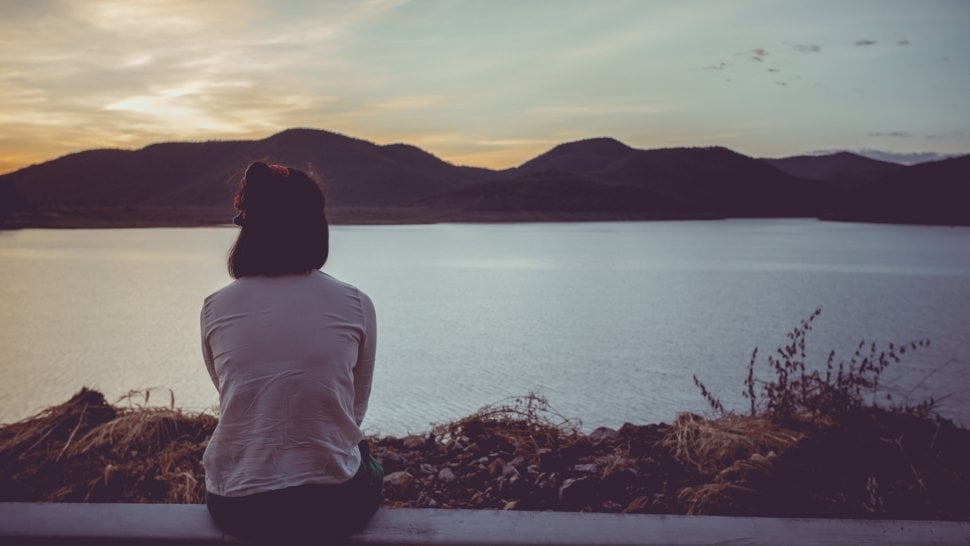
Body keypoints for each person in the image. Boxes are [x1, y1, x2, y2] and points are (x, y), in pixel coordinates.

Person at [200, 161, 382, 543]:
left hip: (235, 504)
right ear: (315, 227)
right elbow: (354, 410)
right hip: (333, 504)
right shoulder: (354, 303)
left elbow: (231, 393)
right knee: (370, 465)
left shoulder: (215, 307)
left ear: (247, 229)